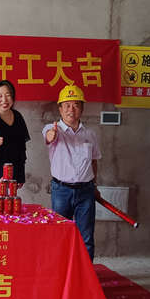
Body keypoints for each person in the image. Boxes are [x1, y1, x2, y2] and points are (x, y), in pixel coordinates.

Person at [42, 84, 101, 262]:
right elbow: (49, 136)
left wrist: (94, 186)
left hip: (86, 191)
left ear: (82, 108)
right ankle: (61, 272)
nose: (71, 109)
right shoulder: (53, 129)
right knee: (60, 235)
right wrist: (52, 134)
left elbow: (94, 161)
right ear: (60, 109)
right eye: (67, 105)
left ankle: (85, 274)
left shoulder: (90, 134)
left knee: (86, 237)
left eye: (76, 105)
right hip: (61, 191)